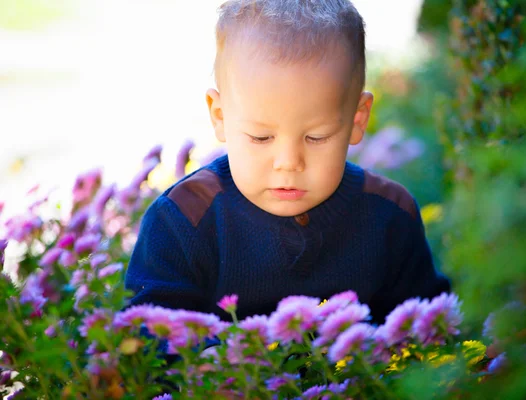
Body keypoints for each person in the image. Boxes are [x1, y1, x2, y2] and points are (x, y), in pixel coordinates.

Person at [124, 0, 450, 326]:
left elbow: (428, 332)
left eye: (317, 137)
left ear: (356, 119)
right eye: (261, 137)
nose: (289, 163)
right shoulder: (183, 222)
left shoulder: (389, 216)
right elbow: (150, 337)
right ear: (220, 116)